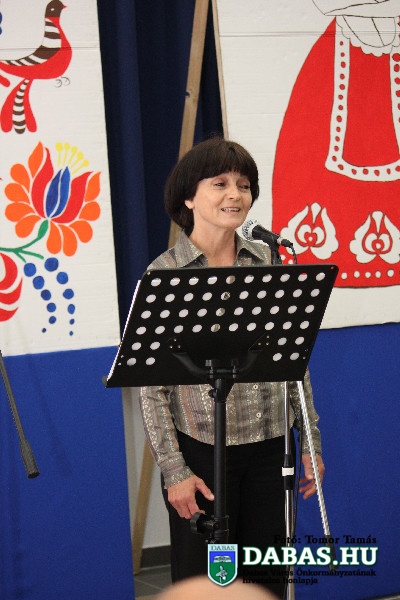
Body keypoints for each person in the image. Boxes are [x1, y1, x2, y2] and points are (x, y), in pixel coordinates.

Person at [139, 137, 325, 598]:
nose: (235, 194)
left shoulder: (268, 261)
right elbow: (151, 387)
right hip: (203, 453)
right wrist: (174, 471)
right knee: (209, 582)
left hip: (271, 449)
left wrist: (309, 441)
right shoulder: (166, 274)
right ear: (188, 197)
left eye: (243, 185)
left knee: (266, 582)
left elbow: (293, 362)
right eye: (219, 183)